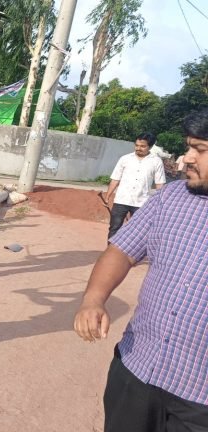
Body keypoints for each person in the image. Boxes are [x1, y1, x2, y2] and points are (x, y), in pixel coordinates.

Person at [73, 109, 208, 431]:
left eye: (199, 149)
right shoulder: (171, 199)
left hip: (199, 400)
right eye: (188, 147)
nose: (186, 158)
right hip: (137, 367)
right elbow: (121, 249)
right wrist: (93, 299)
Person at [103, 132, 166, 239]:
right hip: (121, 200)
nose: (138, 148)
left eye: (142, 146)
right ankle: (110, 251)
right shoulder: (125, 159)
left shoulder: (156, 161)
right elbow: (115, 178)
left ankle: (129, 254)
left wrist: (161, 201)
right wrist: (108, 195)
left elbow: (160, 183)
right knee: (114, 227)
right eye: (136, 145)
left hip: (141, 202)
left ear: (150, 147)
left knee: (136, 231)